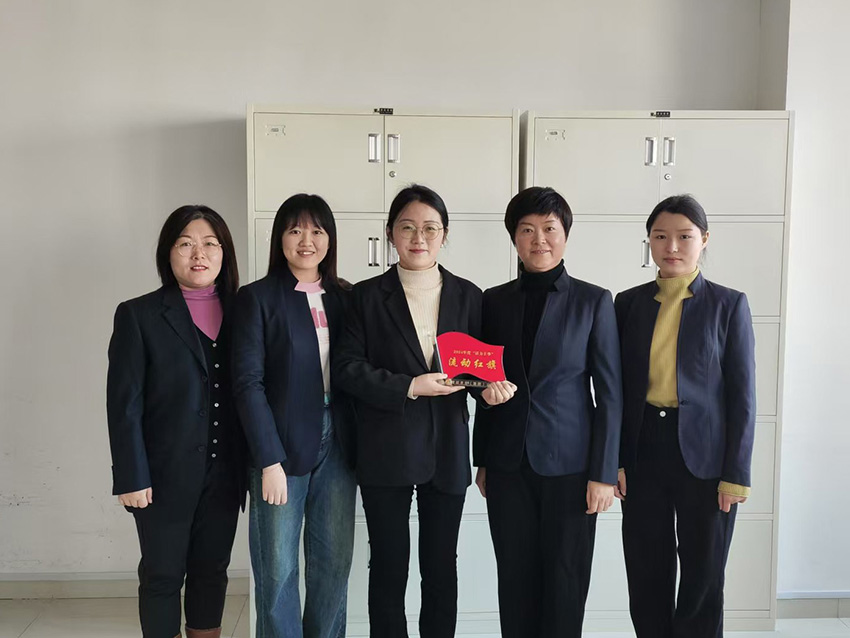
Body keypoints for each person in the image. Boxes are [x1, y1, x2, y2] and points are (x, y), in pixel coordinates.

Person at [334, 184, 513, 638]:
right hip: (385, 450)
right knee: (388, 565)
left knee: (440, 568)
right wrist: (409, 386)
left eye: (430, 228)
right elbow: (347, 369)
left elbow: (476, 372)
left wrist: (489, 392)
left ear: (444, 235)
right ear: (390, 233)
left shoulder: (469, 296)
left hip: (446, 451)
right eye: (408, 227)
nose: (419, 238)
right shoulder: (365, 296)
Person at [472, 186, 622, 638]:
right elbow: (484, 380)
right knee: (514, 579)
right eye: (527, 230)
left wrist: (604, 473)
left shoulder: (594, 301)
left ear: (565, 235)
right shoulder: (493, 300)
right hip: (508, 464)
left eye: (549, 229)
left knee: (565, 581)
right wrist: (484, 458)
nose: (539, 240)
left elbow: (610, 393)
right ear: (514, 238)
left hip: (572, 468)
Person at [615, 194, 755, 638]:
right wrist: (615, 459)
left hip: (707, 457)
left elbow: (742, 397)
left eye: (684, 236)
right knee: (646, 569)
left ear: (704, 239)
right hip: (643, 450)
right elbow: (616, 392)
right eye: (660, 236)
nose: (671, 246)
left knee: (704, 574)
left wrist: (736, 473)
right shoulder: (627, 304)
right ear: (649, 242)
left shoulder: (728, 305)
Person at [106, 204, 245, 638]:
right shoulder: (139, 315)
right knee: (163, 573)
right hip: (162, 475)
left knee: (212, 570)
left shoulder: (245, 311)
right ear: (168, 253)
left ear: (224, 252)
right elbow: (124, 404)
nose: (198, 254)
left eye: (210, 244)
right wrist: (131, 475)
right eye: (185, 244)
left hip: (227, 472)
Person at [231, 194, 356, 638]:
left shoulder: (346, 296)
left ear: (330, 239)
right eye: (295, 229)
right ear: (279, 237)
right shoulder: (257, 298)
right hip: (280, 445)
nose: (307, 240)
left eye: (317, 231)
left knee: (333, 562)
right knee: (278, 569)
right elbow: (247, 383)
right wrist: (269, 460)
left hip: (341, 443)